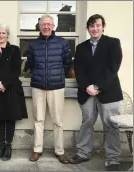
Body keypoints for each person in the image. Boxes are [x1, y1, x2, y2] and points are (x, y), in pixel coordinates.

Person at [69, 14, 123, 171]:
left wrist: (98, 86)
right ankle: (83, 152)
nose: (95, 29)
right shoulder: (81, 47)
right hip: (87, 93)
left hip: (109, 92)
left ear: (103, 26)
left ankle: (113, 159)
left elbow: (113, 67)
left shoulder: (113, 43)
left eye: (98, 25)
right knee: (86, 123)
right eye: (91, 26)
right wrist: (87, 86)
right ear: (88, 28)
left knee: (111, 126)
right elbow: (78, 70)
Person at [27, 15, 71, 164]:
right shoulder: (33, 44)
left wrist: (57, 76)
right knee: (38, 119)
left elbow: (67, 64)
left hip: (56, 87)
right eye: (43, 24)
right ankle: (37, 149)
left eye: (49, 24)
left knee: (58, 120)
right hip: (38, 86)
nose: (46, 26)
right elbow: (31, 64)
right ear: (39, 26)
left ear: (53, 26)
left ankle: (60, 151)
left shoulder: (62, 43)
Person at [0, 24, 28, 161]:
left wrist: (4, 83)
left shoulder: (14, 50)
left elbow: (17, 70)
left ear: (7, 35)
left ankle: (8, 146)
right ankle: (0, 146)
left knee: (10, 118)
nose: (1, 35)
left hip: (11, 89)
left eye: (3, 33)